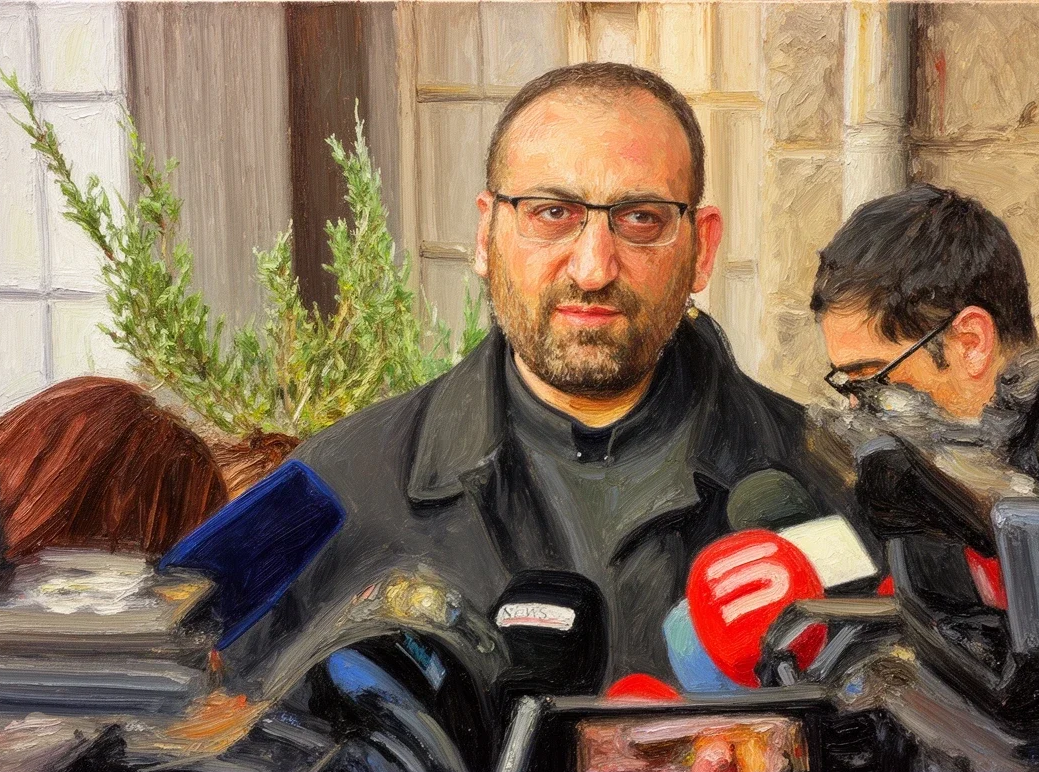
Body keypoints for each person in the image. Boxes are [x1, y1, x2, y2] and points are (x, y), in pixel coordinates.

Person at [225, 62, 851, 689]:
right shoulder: (324, 490)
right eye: (552, 212)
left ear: (702, 249)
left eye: (641, 219)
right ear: (485, 236)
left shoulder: (827, 481)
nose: (593, 268)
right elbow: (213, 713)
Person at [810, 182, 1039, 733]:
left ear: (971, 343)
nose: (857, 407)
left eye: (872, 379)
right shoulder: (983, 439)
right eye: (846, 384)